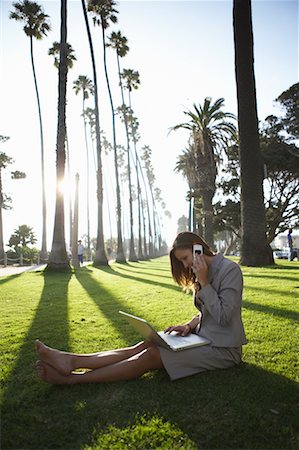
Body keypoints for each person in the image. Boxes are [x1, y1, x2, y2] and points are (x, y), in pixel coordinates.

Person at [35, 232, 247, 385]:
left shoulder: (229, 270)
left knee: (150, 356)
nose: (185, 265)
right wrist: (189, 325)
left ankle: (73, 379)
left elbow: (224, 316)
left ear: (198, 249)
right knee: (145, 345)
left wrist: (204, 282)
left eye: (185, 258)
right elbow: (206, 312)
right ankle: (72, 360)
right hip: (202, 338)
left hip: (224, 349)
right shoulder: (202, 271)